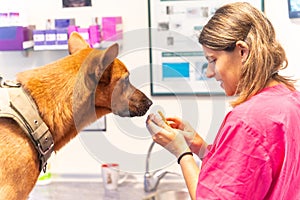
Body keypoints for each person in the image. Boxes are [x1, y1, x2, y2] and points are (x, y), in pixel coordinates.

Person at [146, 2, 300, 200]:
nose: (210, 73)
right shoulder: (291, 100)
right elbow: (251, 170)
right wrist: (198, 146)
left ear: (242, 52)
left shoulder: (247, 120)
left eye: (213, 60)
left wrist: (182, 153)